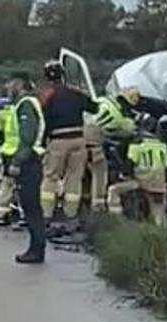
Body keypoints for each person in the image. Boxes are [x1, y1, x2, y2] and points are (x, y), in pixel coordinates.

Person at [38, 59, 99, 235]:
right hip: (79, 140)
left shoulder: (45, 95)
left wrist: (41, 143)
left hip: (57, 140)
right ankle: (70, 215)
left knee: (50, 177)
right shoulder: (75, 93)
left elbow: (42, 119)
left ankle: (46, 214)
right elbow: (95, 108)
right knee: (74, 179)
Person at [5, 74, 47, 264]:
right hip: (30, 160)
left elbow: (27, 137)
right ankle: (35, 247)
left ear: (19, 84)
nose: (7, 87)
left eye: (10, 83)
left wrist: (16, 161)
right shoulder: (26, 103)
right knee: (30, 207)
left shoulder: (26, 105)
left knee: (31, 208)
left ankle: (36, 250)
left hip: (29, 162)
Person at [106, 121, 167, 226]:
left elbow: (130, 164)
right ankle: (163, 231)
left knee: (113, 190)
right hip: (159, 182)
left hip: (141, 181)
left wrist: (124, 176)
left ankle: (117, 220)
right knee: (158, 210)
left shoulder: (137, 143)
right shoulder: (162, 145)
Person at [0, 100, 17, 226]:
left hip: (8, 152)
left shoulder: (3, 112)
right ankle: (23, 214)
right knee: (24, 184)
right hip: (26, 152)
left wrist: (2, 146)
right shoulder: (29, 108)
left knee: (7, 183)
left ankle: (2, 213)